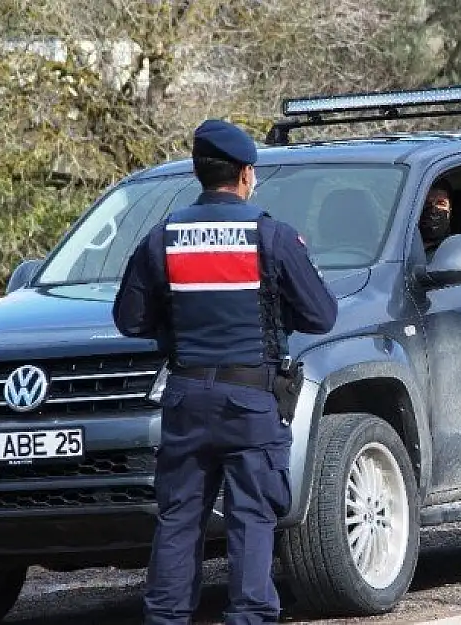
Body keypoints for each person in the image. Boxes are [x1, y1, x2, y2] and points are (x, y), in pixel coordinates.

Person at [112, 119, 338, 624]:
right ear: (244, 174)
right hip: (251, 403)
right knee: (252, 518)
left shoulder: (161, 239)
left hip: (186, 401)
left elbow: (129, 320)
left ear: (199, 172)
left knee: (178, 520)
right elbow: (322, 315)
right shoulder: (270, 235)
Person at [420, 180, 454, 256]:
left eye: (441, 203)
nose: (433, 210)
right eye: (427, 203)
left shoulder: (454, 249)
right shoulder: (403, 245)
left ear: (450, 210)